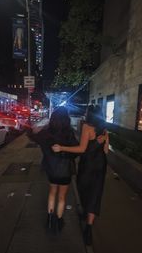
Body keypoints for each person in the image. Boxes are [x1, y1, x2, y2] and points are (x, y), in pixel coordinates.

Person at [52, 105, 109, 245]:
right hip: (101, 165)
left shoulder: (86, 127)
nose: (85, 113)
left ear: (90, 114)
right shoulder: (105, 130)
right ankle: (88, 228)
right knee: (95, 193)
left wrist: (61, 147)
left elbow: (82, 149)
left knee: (83, 189)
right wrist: (101, 142)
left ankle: (85, 212)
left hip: (88, 165)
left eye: (87, 112)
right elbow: (106, 151)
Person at [27, 107, 78, 232]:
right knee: (62, 197)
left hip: (51, 170)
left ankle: (50, 220)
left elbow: (31, 133)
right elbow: (76, 151)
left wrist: (38, 128)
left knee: (52, 193)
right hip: (65, 170)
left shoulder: (46, 133)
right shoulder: (69, 133)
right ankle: (59, 221)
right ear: (66, 119)